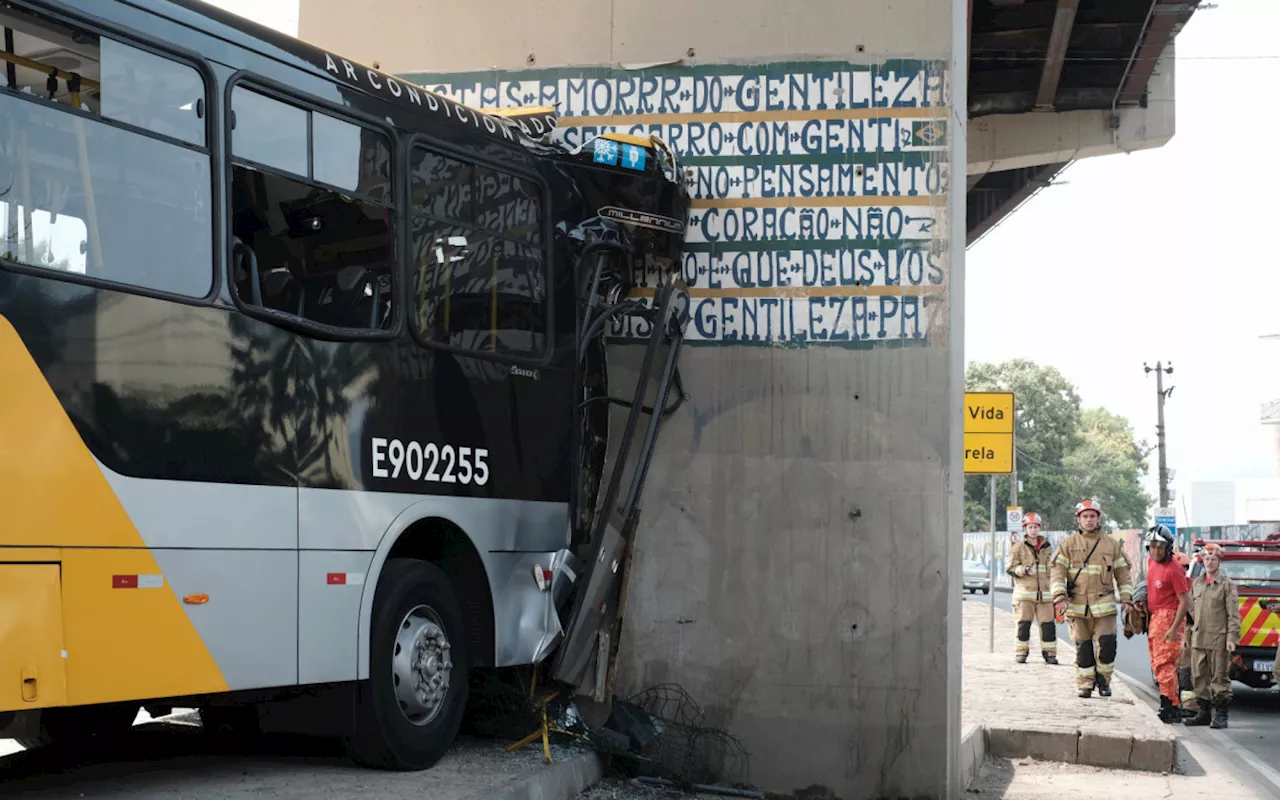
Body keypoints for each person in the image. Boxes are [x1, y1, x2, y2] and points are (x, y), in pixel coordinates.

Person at [1051, 499, 1134, 698]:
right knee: (1083, 647)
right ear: (1078, 519)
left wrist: (1126, 598)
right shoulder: (1067, 544)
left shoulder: (1111, 544)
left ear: (1098, 518)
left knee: (1107, 646)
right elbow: (1057, 572)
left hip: (1104, 605)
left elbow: (1123, 573)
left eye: (1092, 516)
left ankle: (1104, 681)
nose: (1089, 520)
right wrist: (1059, 597)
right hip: (1077, 606)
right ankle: (1085, 684)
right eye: (1085, 516)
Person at [1185, 543, 1240, 728]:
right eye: (1206, 559)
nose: (1209, 563)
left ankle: (1221, 716)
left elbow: (1233, 615)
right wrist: (1187, 636)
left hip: (1219, 640)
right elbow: (1190, 612)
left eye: (1213, 559)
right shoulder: (1197, 583)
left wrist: (1232, 638)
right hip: (1198, 639)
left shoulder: (1226, 585)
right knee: (1198, 677)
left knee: (1219, 678)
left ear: (1219, 561)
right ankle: (1204, 713)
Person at [1143, 525, 1191, 723]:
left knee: (1165, 664)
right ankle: (1169, 701)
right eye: (1152, 546)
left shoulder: (1174, 570)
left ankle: (1170, 705)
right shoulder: (1152, 563)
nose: (1155, 550)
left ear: (1168, 547)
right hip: (1156, 617)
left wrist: (1173, 629)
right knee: (1157, 662)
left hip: (1169, 617)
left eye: (1159, 547)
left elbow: (1185, 601)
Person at [1006, 512, 1058, 664]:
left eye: (1035, 527)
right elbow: (1010, 568)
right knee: (1023, 625)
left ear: (1039, 528)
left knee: (1048, 626)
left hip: (1045, 595)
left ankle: (1050, 654)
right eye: (1030, 527)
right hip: (1025, 594)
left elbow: (1054, 568)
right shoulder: (1018, 548)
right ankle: (1021, 653)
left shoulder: (1048, 547)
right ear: (1025, 529)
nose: (1033, 530)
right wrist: (1024, 570)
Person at [1174, 551, 1199, 720]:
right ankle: (1171, 703)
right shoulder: (1166, 582)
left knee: (1185, 667)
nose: (1182, 570)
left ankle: (1188, 705)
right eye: (1180, 567)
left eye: (1185, 567)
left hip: (1187, 632)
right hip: (1169, 630)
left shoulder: (1193, 585)